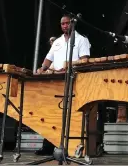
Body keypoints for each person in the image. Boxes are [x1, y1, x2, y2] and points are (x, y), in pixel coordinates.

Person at [35, 15, 91, 155]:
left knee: (69, 114)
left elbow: (84, 61)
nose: (65, 26)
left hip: (73, 82)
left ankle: (71, 146)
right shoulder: (57, 42)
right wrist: (41, 69)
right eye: (62, 24)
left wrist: (69, 67)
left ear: (72, 24)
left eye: (67, 23)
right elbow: (48, 60)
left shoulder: (81, 40)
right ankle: (48, 145)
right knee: (50, 113)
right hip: (55, 81)